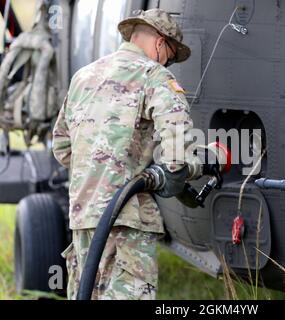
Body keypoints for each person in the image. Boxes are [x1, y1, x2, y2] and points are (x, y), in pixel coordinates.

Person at [52, 8, 194, 300]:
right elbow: (177, 146)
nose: (169, 62)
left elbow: (62, 148)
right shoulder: (154, 75)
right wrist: (177, 173)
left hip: (83, 219)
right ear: (159, 43)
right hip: (127, 221)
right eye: (170, 54)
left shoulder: (83, 76)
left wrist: (96, 172)